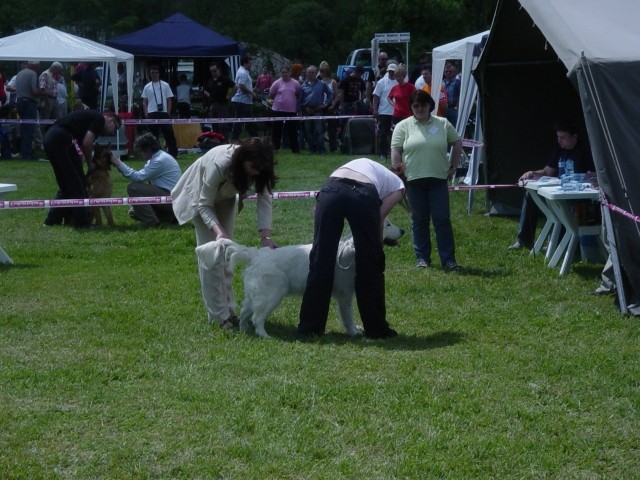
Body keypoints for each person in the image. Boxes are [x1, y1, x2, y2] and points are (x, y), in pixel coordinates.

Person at [171, 138, 278, 329]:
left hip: (225, 196)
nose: (257, 172)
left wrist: (265, 236)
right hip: (200, 196)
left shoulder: (261, 167)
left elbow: (264, 199)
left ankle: (229, 311)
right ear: (242, 159)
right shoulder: (219, 164)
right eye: (253, 167)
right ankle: (219, 317)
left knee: (227, 257)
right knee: (211, 258)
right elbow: (204, 204)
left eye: (261, 168)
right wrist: (219, 232)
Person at [297, 158, 405, 340]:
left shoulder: (370, 167)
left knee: (320, 260)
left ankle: (309, 328)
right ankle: (377, 330)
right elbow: (379, 218)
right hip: (362, 193)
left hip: (331, 188)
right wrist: (377, 245)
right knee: (370, 265)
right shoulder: (399, 186)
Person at [391, 89, 463, 271]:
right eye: (416, 105)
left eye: (423, 104)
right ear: (411, 107)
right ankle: (422, 258)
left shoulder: (443, 123)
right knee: (419, 221)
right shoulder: (403, 126)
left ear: (430, 105)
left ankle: (448, 259)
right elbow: (396, 149)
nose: (420, 108)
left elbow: (457, 143)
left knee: (442, 220)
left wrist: (454, 167)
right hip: (413, 180)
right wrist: (398, 170)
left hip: (438, 179)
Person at [509, 118, 595, 250]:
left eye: (563, 137)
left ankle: (564, 244)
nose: (560, 140)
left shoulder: (586, 152)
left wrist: (591, 176)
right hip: (560, 193)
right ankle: (524, 240)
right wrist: (532, 173)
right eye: (558, 137)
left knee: (563, 206)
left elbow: (595, 175)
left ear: (574, 137)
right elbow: (547, 171)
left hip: (578, 198)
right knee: (530, 195)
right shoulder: (559, 150)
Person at [42, 110, 121, 228]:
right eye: (115, 128)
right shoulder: (99, 119)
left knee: (65, 185)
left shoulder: (90, 118)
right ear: (110, 120)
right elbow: (87, 142)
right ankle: (83, 223)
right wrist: (90, 163)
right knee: (78, 182)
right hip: (62, 139)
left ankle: (52, 221)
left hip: (50, 139)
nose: (113, 132)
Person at [110, 132, 182, 226]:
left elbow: (138, 177)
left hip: (172, 199)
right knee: (134, 212)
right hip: (170, 197)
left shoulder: (159, 160)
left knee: (133, 188)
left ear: (147, 149)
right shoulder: (157, 158)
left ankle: (151, 222)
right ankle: (170, 217)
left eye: (140, 151)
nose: (139, 154)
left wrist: (118, 163)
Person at [141, 65, 178, 158]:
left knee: (169, 134)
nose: (154, 75)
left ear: (159, 74)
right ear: (150, 74)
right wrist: (146, 113)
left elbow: (169, 100)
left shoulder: (165, 85)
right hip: (152, 113)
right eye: (152, 73)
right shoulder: (147, 86)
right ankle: (154, 154)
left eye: (156, 73)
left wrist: (168, 113)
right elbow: (144, 101)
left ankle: (173, 153)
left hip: (164, 113)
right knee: (153, 136)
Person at [298, 65, 332, 155]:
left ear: (316, 73)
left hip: (318, 110)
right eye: (309, 72)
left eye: (313, 72)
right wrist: (299, 111)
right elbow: (300, 100)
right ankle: (312, 149)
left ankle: (321, 149)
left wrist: (326, 104)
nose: (311, 74)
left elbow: (330, 94)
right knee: (308, 131)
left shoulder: (322, 84)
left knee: (319, 131)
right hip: (306, 111)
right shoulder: (302, 86)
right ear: (306, 73)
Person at [268, 64, 300, 153]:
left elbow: (298, 95)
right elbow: (271, 96)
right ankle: (275, 148)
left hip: (291, 111)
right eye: (283, 72)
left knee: (292, 131)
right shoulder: (276, 83)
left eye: (286, 72)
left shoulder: (296, 83)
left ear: (290, 73)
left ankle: (295, 149)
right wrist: (271, 105)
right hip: (277, 110)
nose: (284, 74)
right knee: (276, 131)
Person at [15, 61, 41, 160]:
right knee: (30, 129)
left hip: (19, 101)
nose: (39, 69)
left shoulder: (20, 73)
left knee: (24, 128)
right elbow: (34, 91)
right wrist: (43, 92)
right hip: (29, 102)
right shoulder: (33, 74)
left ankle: (23, 151)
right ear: (35, 66)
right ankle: (27, 154)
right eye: (38, 67)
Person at [372, 62, 398, 160]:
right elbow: (376, 96)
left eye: (393, 72)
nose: (391, 73)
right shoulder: (381, 82)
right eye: (390, 71)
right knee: (383, 133)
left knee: (395, 134)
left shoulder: (399, 82)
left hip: (396, 112)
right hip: (384, 112)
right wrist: (375, 109)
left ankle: (394, 152)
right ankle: (382, 153)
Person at [230, 55, 258, 143]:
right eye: (250, 62)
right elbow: (241, 85)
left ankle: (254, 138)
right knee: (240, 121)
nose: (251, 64)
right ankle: (234, 139)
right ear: (245, 63)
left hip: (246, 101)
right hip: (241, 101)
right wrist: (251, 93)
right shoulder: (242, 72)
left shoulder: (245, 72)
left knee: (249, 121)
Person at [203, 61, 235, 139]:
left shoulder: (224, 79)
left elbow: (235, 87)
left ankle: (224, 140)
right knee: (214, 123)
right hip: (213, 104)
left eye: (214, 70)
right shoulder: (210, 81)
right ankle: (216, 140)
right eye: (211, 71)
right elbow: (205, 90)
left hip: (222, 104)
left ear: (219, 70)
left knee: (223, 124)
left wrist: (229, 96)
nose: (213, 73)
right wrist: (209, 96)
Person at [318, 61, 340, 153]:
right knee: (320, 128)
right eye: (322, 70)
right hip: (320, 106)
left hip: (330, 107)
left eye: (325, 70)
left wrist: (333, 105)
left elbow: (337, 95)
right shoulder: (319, 82)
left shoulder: (333, 82)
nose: (324, 72)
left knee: (332, 129)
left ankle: (333, 147)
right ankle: (321, 147)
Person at [38, 62, 63, 128]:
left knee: (58, 118)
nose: (59, 72)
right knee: (44, 119)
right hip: (48, 99)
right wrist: (45, 97)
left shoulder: (54, 75)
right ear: (54, 68)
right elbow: (41, 88)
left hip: (54, 99)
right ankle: (41, 136)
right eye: (58, 70)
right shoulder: (46, 74)